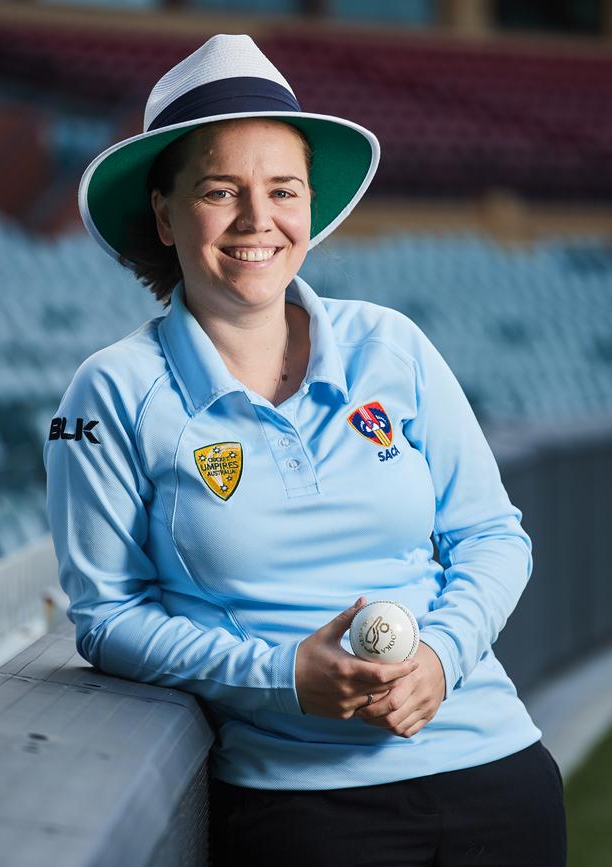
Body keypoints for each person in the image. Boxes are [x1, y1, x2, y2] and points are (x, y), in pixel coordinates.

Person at [44, 34, 567, 866]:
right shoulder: (110, 391)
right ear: (164, 210)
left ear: (310, 207)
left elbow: (492, 536)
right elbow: (108, 618)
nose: (259, 220)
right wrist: (284, 674)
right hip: (301, 809)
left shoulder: (392, 344)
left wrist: (440, 653)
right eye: (222, 189)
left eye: (282, 189)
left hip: (496, 771)